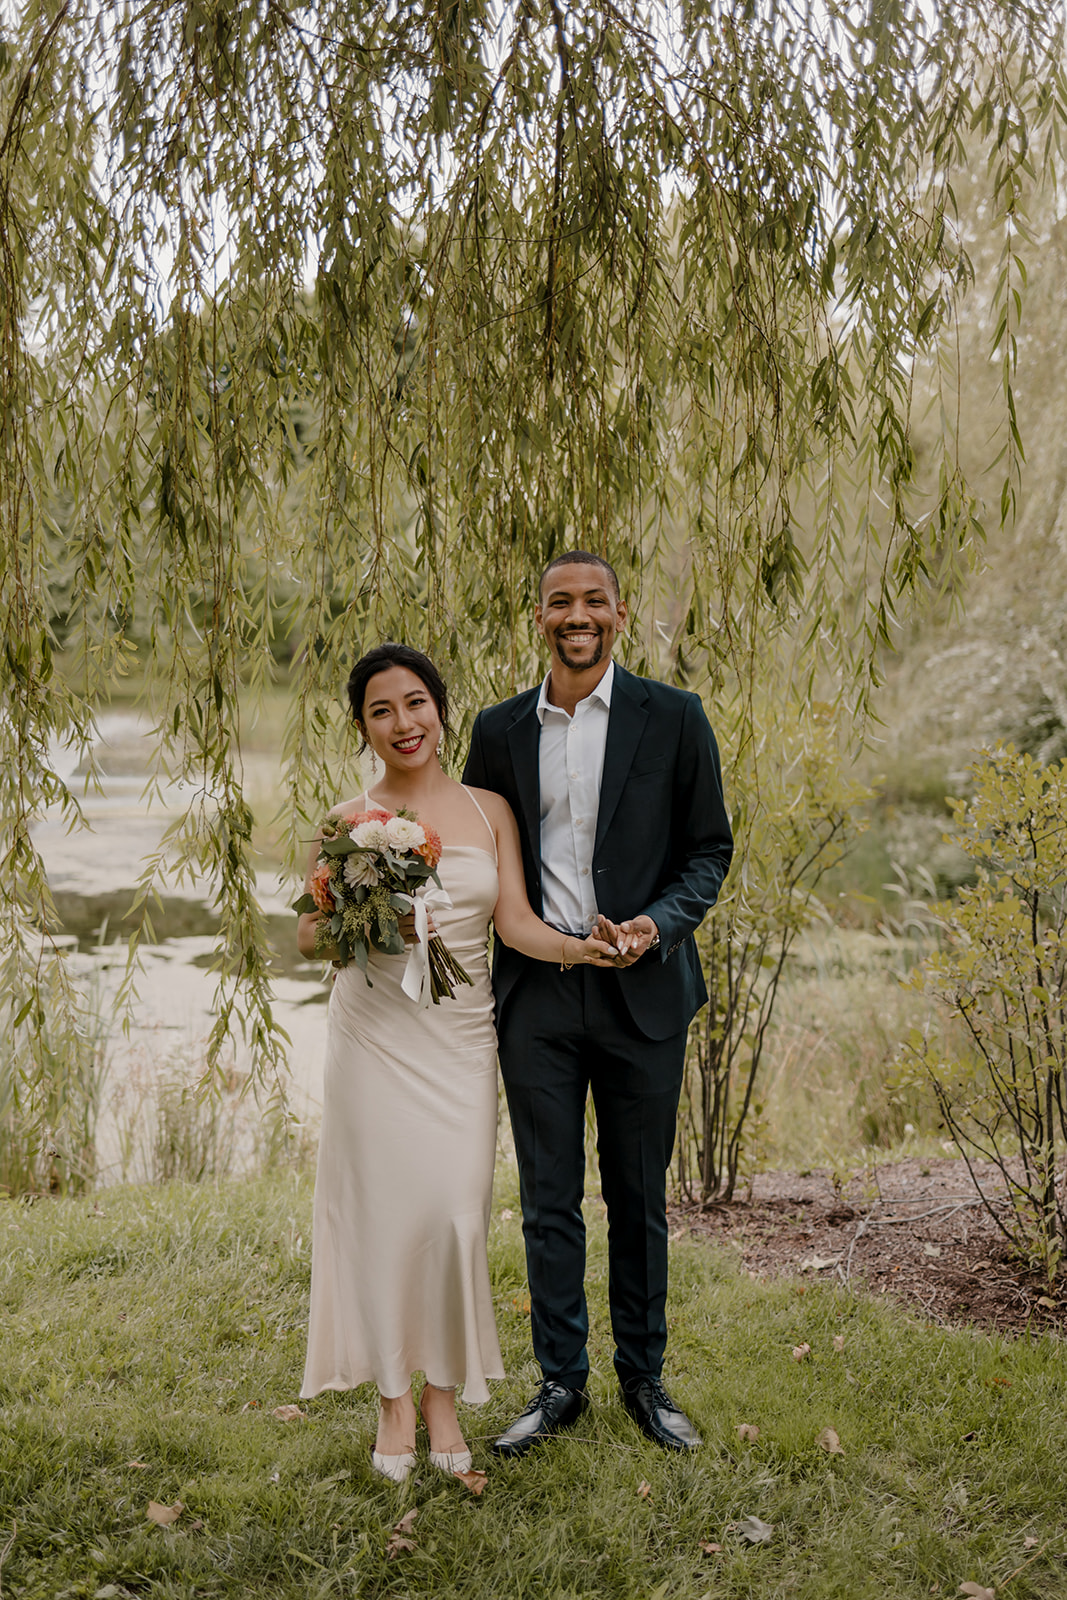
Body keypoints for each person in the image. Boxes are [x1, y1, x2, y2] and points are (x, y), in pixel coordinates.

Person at [297, 642, 615, 1484]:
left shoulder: (487, 812)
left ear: (440, 708)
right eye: (380, 710)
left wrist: (584, 950)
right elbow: (306, 935)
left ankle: (445, 1391)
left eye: (414, 703)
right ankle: (397, 1402)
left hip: (459, 1043)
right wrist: (372, 921)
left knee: (449, 1214)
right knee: (382, 1219)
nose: (402, 723)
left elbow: (511, 922)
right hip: (373, 1040)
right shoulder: (346, 819)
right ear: (362, 726)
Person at [463, 551, 733, 1455]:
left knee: (637, 1198)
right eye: (558, 603)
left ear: (619, 614)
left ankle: (645, 1383)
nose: (575, 616)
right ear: (536, 615)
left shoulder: (675, 718)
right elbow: (476, 860)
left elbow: (708, 852)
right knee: (548, 1199)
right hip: (538, 995)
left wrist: (657, 926)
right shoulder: (496, 731)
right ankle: (559, 1382)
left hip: (644, 994)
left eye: (592, 602)